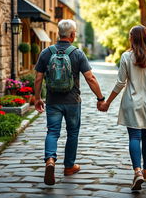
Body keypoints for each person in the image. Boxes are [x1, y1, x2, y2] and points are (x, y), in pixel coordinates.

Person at [98, 25, 146, 191]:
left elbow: (120, 83)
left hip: (132, 103)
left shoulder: (126, 57)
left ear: (132, 38)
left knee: (134, 137)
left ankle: (137, 171)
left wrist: (107, 103)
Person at [34, 19, 105, 185]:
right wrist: (100, 98)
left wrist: (37, 98)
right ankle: (69, 166)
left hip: (52, 101)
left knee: (52, 132)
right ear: (72, 35)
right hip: (73, 101)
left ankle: (50, 160)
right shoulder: (77, 53)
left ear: (59, 34)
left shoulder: (46, 53)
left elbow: (38, 79)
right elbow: (90, 78)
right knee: (72, 133)